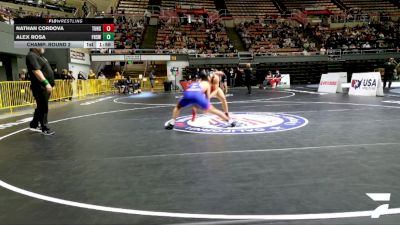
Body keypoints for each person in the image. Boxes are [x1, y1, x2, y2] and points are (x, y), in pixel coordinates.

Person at [165, 73, 236, 130]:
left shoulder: (195, 83)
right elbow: (207, 97)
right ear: (208, 78)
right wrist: (207, 106)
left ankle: (172, 122)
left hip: (188, 94)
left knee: (178, 107)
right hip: (197, 95)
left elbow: (188, 90)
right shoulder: (207, 84)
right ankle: (230, 121)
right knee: (214, 110)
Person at [26, 48, 55, 135]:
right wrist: (46, 83)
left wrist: (51, 84)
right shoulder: (31, 55)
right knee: (43, 107)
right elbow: (36, 71)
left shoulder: (40, 57)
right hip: (40, 87)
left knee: (41, 106)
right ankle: (44, 127)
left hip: (44, 87)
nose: (44, 47)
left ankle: (34, 123)